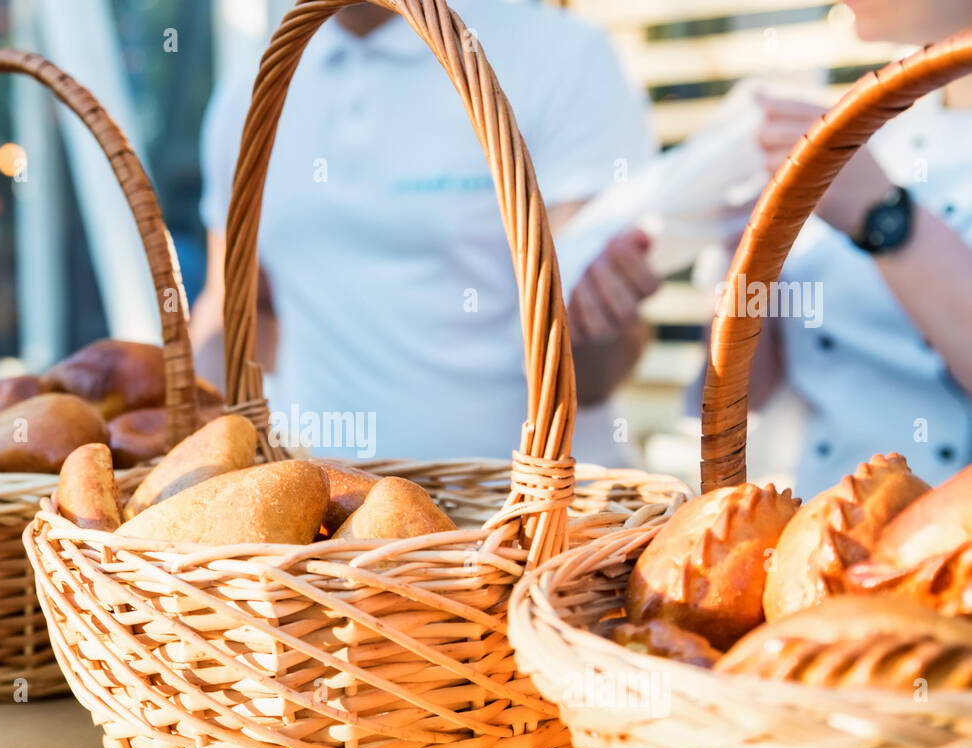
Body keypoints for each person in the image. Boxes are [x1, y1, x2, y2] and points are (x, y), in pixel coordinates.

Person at [192, 0, 658, 463]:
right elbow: (236, 308)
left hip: (541, 518)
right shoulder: (250, 91)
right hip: (333, 521)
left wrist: (596, 315)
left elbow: (595, 366)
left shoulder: (563, 59)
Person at [734, 0, 972, 495]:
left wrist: (884, 217)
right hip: (816, 535)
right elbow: (749, 395)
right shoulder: (876, 130)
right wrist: (740, 254)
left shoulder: (862, 163)